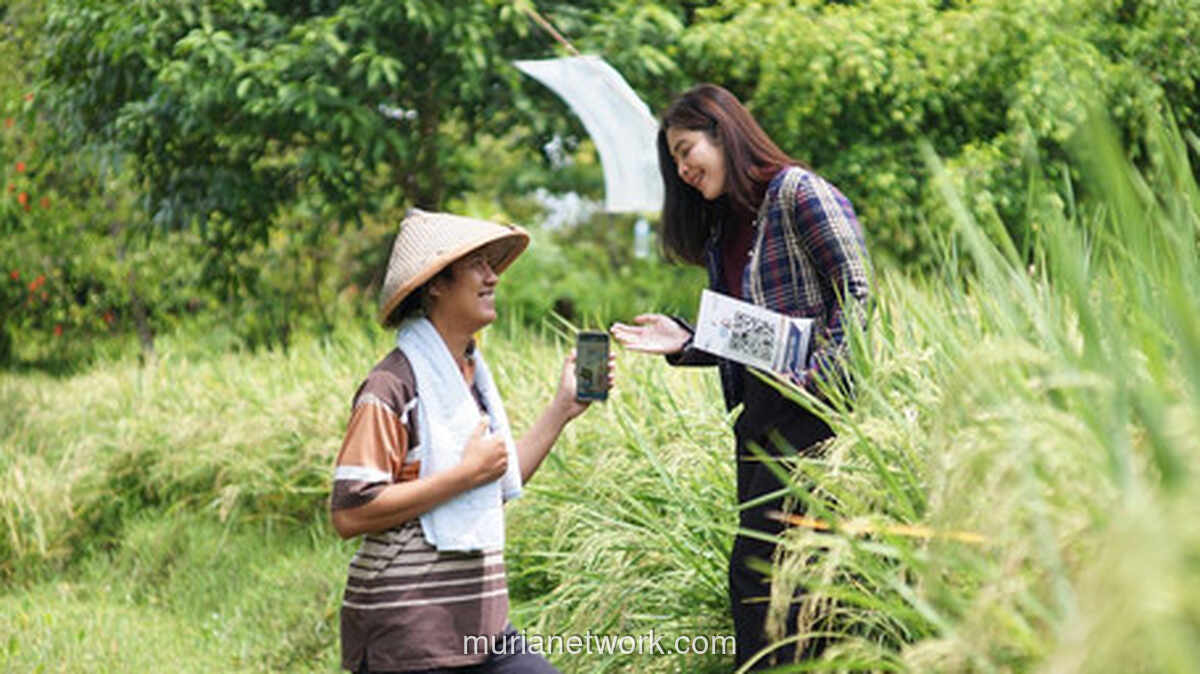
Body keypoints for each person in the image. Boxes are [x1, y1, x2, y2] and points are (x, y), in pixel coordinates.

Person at [610, 84, 873, 669]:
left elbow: (856, 293)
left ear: (722, 132)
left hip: (814, 421)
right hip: (757, 423)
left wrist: (819, 382)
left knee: (766, 583)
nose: (681, 170)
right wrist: (688, 340)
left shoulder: (798, 194)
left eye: (686, 151)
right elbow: (751, 336)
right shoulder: (724, 229)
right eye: (673, 161)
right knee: (771, 590)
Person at [330, 209, 612, 673]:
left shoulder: (470, 376)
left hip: (479, 628)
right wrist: (462, 476)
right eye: (478, 265)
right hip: (409, 634)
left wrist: (562, 410)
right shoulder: (391, 386)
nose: (493, 278)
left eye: (493, 265)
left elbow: (494, 477)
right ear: (436, 283)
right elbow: (349, 512)